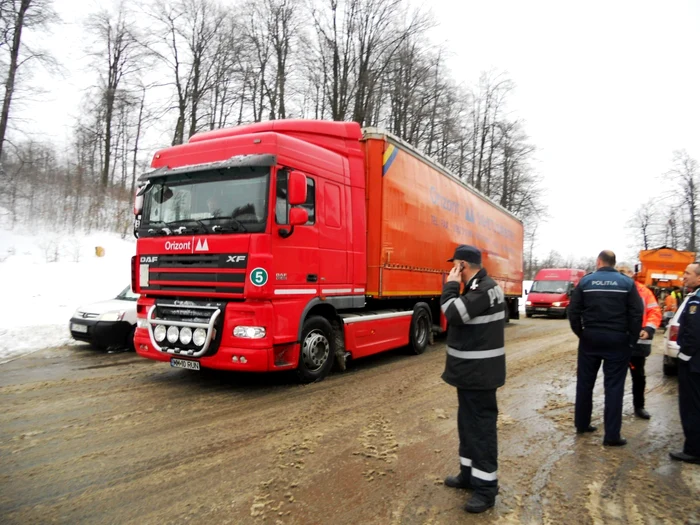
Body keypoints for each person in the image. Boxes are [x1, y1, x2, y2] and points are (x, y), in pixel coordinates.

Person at [440, 244, 506, 514]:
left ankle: (486, 489)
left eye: (454, 266)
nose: (452, 271)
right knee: (468, 427)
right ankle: (468, 475)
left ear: (462, 266)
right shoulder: (479, 287)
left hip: (479, 376)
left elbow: (452, 313)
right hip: (470, 375)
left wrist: (451, 286)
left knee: (480, 432)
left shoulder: (483, 289)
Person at [568, 250, 643, 446]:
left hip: (590, 338)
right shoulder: (626, 283)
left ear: (598, 261)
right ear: (613, 263)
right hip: (618, 340)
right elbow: (636, 313)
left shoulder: (586, 282)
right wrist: (631, 340)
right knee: (614, 387)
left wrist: (581, 334)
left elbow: (573, 311)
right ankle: (611, 436)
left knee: (584, 384)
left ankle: (582, 424)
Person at [617, 265, 662, 419]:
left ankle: (639, 406)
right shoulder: (616, 291)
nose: (622, 276)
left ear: (632, 274)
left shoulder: (644, 292)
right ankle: (614, 407)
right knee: (616, 377)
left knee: (638, 376)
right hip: (619, 341)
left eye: (625, 272)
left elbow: (654, 312)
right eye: (619, 273)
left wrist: (648, 329)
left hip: (638, 342)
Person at [669, 262, 700, 464]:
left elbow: (694, 334)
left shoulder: (696, 301)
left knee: (691, 406)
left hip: (694, 364)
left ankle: (694, 450)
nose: (684, 276)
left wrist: (684, 356)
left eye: (688, 273)